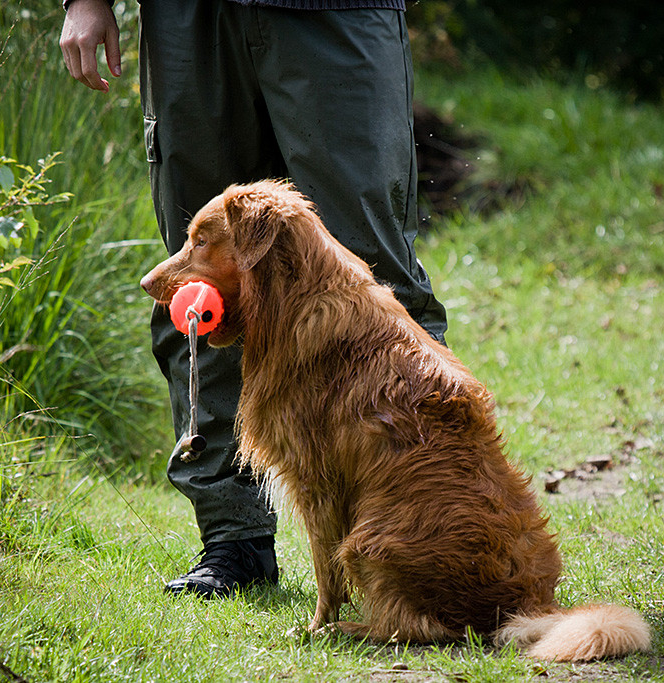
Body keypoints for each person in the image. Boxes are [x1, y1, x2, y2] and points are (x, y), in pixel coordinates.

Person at [60, 0, 448, 599]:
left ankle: (432, 529)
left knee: (373, 267)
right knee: (202, 291)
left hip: (338, 8)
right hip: (189, 16)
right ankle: (234, 539)